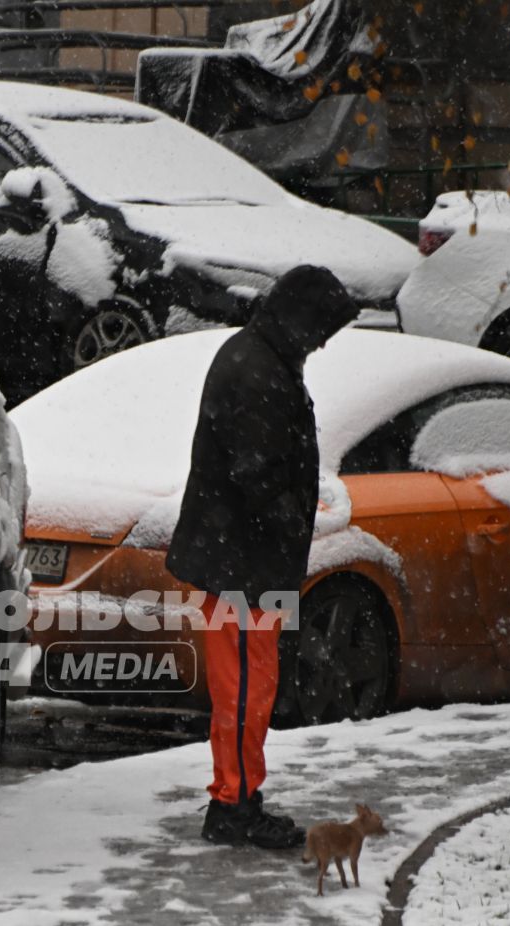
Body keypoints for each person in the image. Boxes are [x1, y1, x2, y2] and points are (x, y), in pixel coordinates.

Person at [166, 265, 360, 849]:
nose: (324, 343)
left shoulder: (258, 356)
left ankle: (237, 797)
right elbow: (259, 476)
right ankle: (234, 805)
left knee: (247, 687)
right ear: (301, 321)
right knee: (248, 689)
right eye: (323, 329)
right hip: (244, 568)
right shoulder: (258, 371)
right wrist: (295, 520)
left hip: (242, 562)